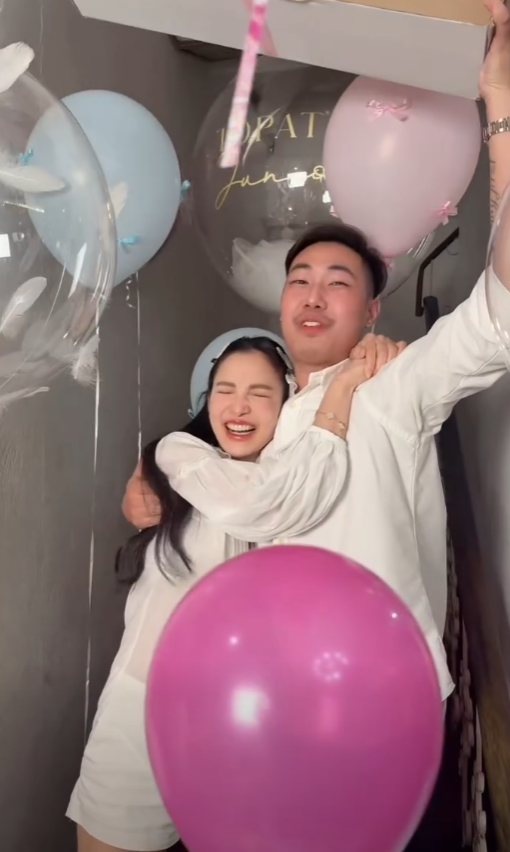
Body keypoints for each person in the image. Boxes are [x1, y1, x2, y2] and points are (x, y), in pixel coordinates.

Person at [125, 0, 510, 737]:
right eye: (299, 279)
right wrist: (147, 475)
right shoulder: (260, 419)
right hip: (269, 704)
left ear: (371, 312)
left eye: (338, 283)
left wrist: (499, 104)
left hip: (373, 703)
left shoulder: (391, 387)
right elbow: (205, 482)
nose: (311, 294)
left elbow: (497, 315)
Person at [69, 334, 401, 852]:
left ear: (287, 403)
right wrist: (341, 390)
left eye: (260, 393)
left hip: (240, 726)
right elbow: (261, 504)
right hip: (142, 712)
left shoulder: (292, 477)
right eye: (224, 390)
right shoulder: (180, 455)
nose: (238, 406)